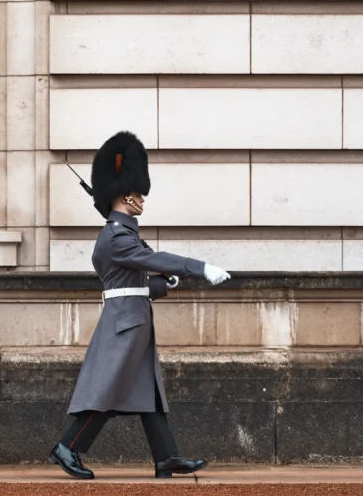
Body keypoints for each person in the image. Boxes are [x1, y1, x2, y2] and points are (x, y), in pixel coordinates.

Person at [48, 131, 232, 480]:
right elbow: (154, 259)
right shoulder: (116, 236)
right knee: (107, 390)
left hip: (132, 319)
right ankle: (68, 447)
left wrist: (163, 284)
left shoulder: (123, 235)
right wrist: (199, 268)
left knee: (147, 391)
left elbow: (135, 282)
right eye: (138, 195)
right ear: (124, 195)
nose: (142, 200)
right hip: (124, 324)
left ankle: (166, 457)